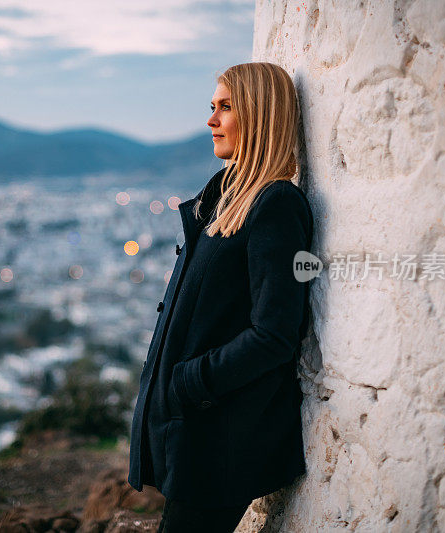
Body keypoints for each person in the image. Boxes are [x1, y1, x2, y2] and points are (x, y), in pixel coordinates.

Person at [127, 62, 315, 533]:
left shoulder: (275, 206)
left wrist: (192, 381)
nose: (211, 120)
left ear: (259, 115)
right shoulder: (224, 197)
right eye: (212, 107)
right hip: (199, 431)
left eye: (226, 107)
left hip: (221, 438)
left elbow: (274, 333)